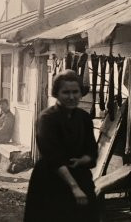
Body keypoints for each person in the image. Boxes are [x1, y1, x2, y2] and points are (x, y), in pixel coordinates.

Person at [24, 70, 99, 222]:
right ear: (56, 93)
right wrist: (74, 187)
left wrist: (82, 161)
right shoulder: (47, 118)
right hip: (51, 181)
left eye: (75, 92)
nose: (72, 97)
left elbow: (92, 151)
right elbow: (53, 157)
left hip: (80, 176)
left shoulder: (84, 118)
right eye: (66, 92)